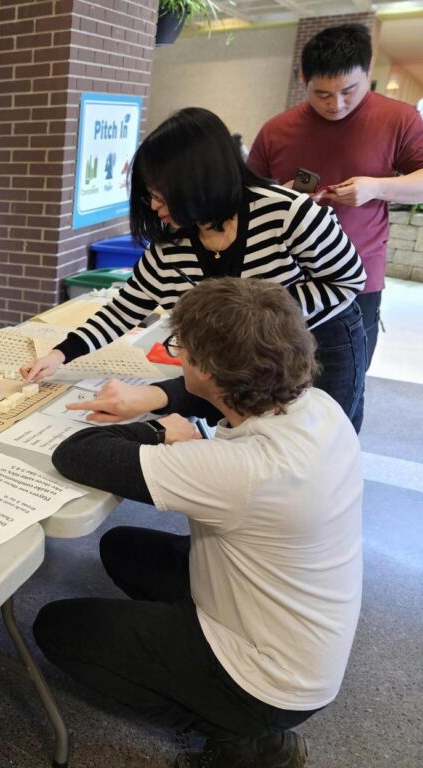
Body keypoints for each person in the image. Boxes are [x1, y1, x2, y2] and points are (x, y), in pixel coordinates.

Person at [34, 277, 363, 768]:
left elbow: (78, 454)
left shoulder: (245, 469)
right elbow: (200, 404)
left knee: (56, 627)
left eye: (179, 349)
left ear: (209, 371)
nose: (177, 357)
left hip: (269, 682)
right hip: (303, 633)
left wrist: (158, 428)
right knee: (123, 546)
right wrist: (166, 414)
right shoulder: (317, 405)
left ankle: (242, 735)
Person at [22, 107, 369, 431]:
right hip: (246, 359)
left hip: (321, 344)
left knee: (320, 443)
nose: (155, 206)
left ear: (200, 180)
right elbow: (124, 309)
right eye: (149, 195)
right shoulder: (173, 242)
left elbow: (349, 279)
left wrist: (258, 323)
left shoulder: (288, 213)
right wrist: (61, 353)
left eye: (163, 194)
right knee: (255, 445)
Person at [248, 23, 423, 370]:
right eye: (322, 94)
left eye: (349, 90)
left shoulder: (399, 118)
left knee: (345, 385)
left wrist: (376, 188)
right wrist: (279, 197)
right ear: (303, 78)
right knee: (274, 383)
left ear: (369, 69)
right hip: (285, 279)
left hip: (357, 278)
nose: (336, 105)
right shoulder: (277, 129)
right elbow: (245, 195)